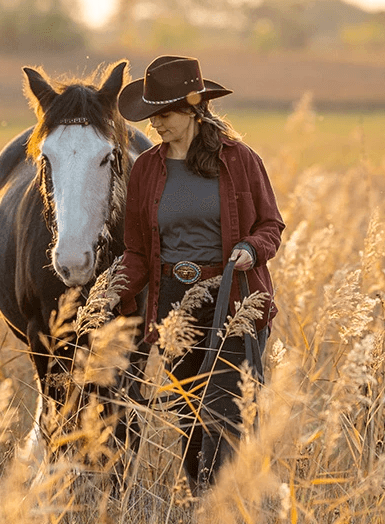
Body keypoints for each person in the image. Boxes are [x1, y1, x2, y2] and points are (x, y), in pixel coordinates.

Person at [110, 55, 285, 492]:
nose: (155, 124)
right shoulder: (146, 169)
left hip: (234, 300)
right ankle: (200, 496)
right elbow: (137, 251)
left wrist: (251, 249)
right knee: (190, 415)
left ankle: (215, 502)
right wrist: (110, 293)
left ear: (192, 109)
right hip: (174, 305)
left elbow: (271, 225)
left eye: (164, 114)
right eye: (151, 116)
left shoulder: (240, 160)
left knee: (223, 411)